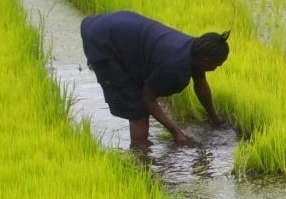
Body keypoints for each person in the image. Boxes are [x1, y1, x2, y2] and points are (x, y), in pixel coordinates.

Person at [79, 11, 229, 148]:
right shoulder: (174, 65)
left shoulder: (194, 50)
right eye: (217, 65)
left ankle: (141, 152)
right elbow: (147, 99)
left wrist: (215, 118)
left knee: (138, 94)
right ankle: (140, 156)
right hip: (102, 42)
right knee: (138, 112)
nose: (217, 68)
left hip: (115, 30)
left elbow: (201, 86)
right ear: (205, 59)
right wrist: (176, 132)